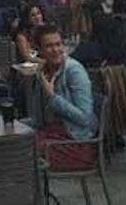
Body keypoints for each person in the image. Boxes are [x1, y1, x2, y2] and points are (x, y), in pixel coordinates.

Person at [35, 24, 98, 171]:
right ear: (40, 51)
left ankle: (35, 192)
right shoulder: (43, 72)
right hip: (53, 135)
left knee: (25, 152)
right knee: (16, 142)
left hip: (77, 144)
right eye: (49, 46)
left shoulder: (74, 71)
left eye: (58, 44)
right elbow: (39, 119)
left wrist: (53, 97)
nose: (56, 50)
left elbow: (85, 118)